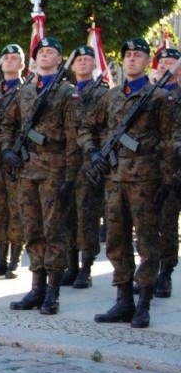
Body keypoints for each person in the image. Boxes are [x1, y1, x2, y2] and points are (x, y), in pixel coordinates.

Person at [80, 38, 176, 329]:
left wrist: (167, 181)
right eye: (128, 55)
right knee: (116, 242)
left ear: (148, 62)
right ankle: (123, 300)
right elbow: (86, 127)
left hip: (146, 180)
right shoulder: (110, 97)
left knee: (147, 242)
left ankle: (144, 302)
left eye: (138, 55)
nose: (132, 59)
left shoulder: (159, 98)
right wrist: (94, 152)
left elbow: (170, 141)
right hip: (114, 179)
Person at [1, 37, 81, 315]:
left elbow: (73, 137)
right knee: (32, 230)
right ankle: (36, 288)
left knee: (53, 230)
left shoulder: (67, 92)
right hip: (26, 169)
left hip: (54, 170)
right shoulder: (24, 90)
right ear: (34, 59)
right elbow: (8, 123)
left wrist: (70, 177)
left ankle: (53, 292)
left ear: (59, 60)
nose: (46, 55)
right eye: (41, 52)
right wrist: (7, 149)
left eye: (51, 52)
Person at [62, 46, 109, 287]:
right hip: (64, 164)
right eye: (78, 59)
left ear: (94, 65)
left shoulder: (102, 94)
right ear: (72, 66)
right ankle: (71, 265)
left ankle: (86, 268)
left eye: (87, 60)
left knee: (87, 216)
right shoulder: (64, 92)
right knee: (67, 215)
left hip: (88, 163)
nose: (82, 63)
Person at [0, 44, 26, 279]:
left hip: (17, 158)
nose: (10, 61)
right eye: (6, 58)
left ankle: (15, 259)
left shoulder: (27, 90)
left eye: (14, 58)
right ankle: (0, 258)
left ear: (22, 64)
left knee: (16, 208)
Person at [154, 48, 181, 298]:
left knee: (168, 225)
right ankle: (152, 271)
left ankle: (166, 272)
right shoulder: (150, 96)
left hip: (175, 171)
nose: (164, 66)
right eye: (161, 62)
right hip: (151, 171)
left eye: (169, 63)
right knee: (151, 224)